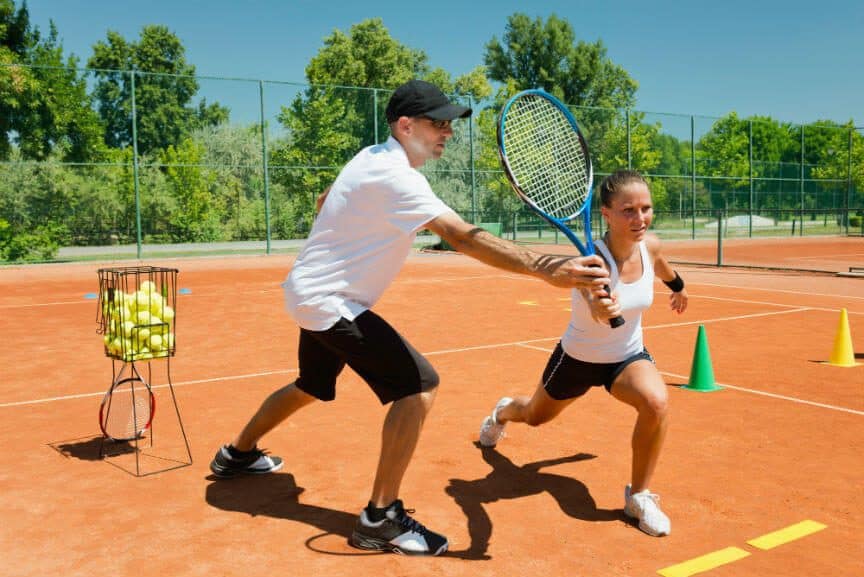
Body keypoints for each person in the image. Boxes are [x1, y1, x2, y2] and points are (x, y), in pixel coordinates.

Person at [209, 79, 613, 556]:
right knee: (417, 386)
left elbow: (325, 199)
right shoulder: (397, 176)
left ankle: (237, 454)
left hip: (312, 292)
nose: (448, 131)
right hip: (329, 300)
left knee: (311, 385)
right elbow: (462, 236)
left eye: (449, 123)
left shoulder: (370, 157)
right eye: (437, 122)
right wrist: (548, 270)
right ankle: (379, 519)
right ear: (405, 125)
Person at [477, 168, 688, 538]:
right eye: (628, 210)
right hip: (576, 360)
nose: (639, 218)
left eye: (646, 208)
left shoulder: (649, 245)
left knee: (656, 403)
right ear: (605, 214)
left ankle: (639, 496)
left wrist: (679, 287)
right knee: (534, 416)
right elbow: (594, 304)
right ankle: (502, 411)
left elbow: (663, 267)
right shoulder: (592, 260)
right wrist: (602, 308)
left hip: (626, 359)